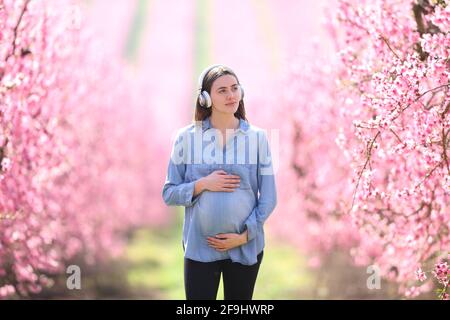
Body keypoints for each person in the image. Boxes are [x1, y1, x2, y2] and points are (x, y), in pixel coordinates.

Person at [162, 64, 277, 300]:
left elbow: (268, 197)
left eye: (234, 88)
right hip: (200, 249)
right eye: (222, 90)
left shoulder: (258, 138)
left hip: (245, 246)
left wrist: (244, 236)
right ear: (205, 98)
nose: (231, 95)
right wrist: (202, 184)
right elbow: (169, 193)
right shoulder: (186, 138)